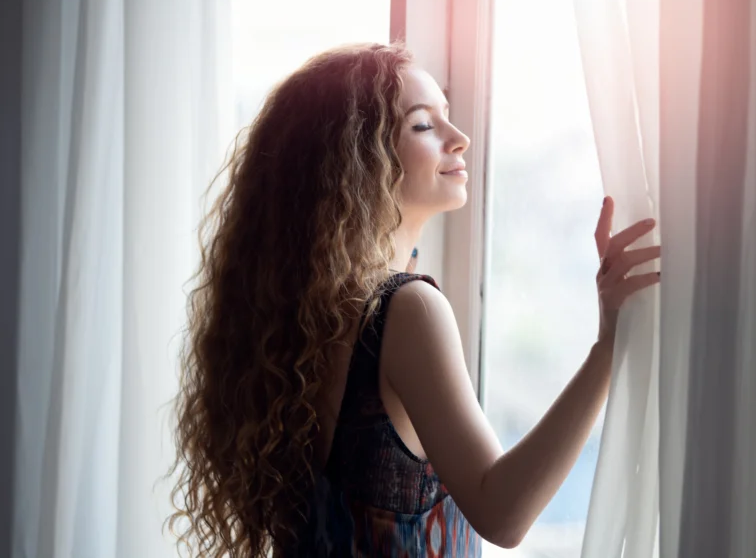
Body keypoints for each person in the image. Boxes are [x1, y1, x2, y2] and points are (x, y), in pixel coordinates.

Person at [166, 43, 661, 557]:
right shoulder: (406, 311)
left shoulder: (309, 318)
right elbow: (504, 513)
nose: (460, 138)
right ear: (357, 162)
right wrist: (607, 346)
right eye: (424, 125)